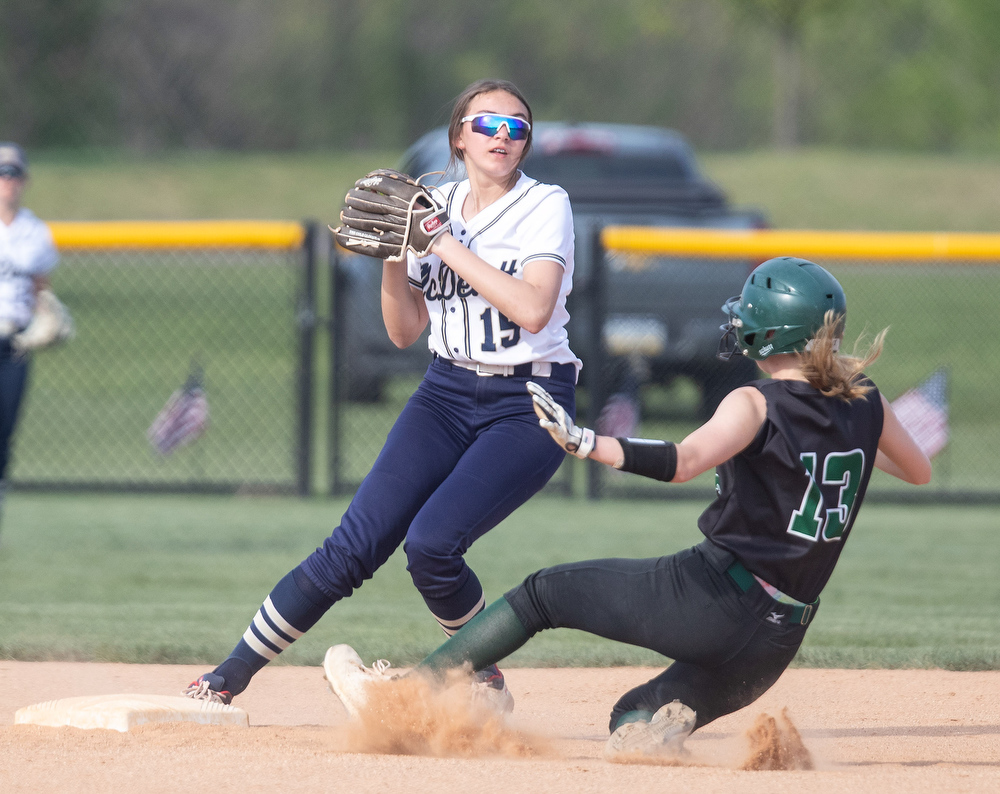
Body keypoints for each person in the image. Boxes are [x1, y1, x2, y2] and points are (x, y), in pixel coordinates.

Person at [323, 256, 932, 759]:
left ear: (766, 333)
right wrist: (840, 435)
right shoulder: (867, 405)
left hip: (715, 596)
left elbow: (685, 461)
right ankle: (658, 731)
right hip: (778, 639)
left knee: (544, 594)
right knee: (633, 717)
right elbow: (917, 468)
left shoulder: (755, 403)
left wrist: (592, 443)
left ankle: (404, 699)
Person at [184, 79, 580, 709]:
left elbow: (534, 309)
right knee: (353, 545)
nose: (503, 136)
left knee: (431, 546)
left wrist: (439, 242)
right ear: (459, 137)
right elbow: (403, 331)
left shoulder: (544, 204)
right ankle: (230, 673)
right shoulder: (433, 202)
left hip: (529, 402)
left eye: (517, 127)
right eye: (487, 125)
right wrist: (397, 255)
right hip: (446, 392)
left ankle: (480, 672)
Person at [0, 143, 59, 536]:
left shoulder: (34, 232)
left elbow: (41, 291)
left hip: (13, 346)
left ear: (25, 181)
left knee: (3, 435)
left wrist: (49, 320)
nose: (8, 182)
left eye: (13, 174)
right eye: (2, 174)